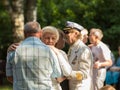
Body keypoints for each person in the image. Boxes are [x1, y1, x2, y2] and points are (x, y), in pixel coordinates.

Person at [6, 21, 62, 90]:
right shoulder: (49, 51)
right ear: (40, 33)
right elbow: (57, 74)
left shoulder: (13, 50)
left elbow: (9, 76)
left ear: (24, 33)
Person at [63, 21, 93, 90]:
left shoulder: (84, 50)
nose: (65, 35)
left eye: (67, 32)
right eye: (64, 32)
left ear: (76, 33)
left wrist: (68, 75)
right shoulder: (72, 48)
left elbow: (84, 74)